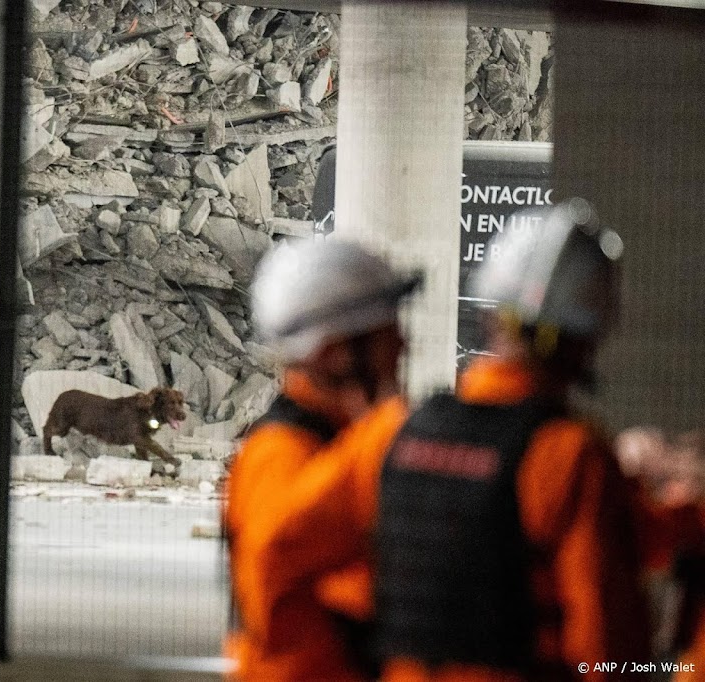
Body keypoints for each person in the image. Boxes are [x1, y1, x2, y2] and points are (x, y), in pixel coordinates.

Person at [251, 199, 652, 681]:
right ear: (586, 339)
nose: (403, 342)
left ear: (492, 312)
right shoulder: (571, 455)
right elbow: (606, 650)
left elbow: (276, 551)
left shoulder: (391, 434)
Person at [224, 239, 421, 681]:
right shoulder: (280, 452)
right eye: (386, 333)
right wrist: (397, 432)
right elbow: (278, 559)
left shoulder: (336, 441)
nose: (403, 344)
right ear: (333, 353)